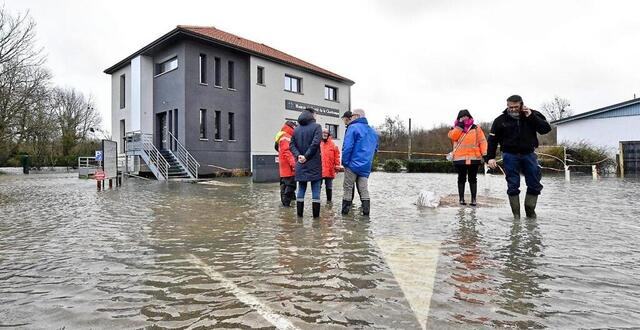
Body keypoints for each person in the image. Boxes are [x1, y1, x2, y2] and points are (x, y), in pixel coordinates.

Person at [486, 95, 552, 218]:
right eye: (510, 107)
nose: (512, 109)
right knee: (512, 184)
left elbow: (545, 129)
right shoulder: (500, 120)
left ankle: (530, 212)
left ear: (521, 105)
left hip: (529, 154)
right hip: (509, 155)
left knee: (534, 182)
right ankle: (516, 217)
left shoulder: (533, 115)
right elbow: (492, 141)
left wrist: (531, 116)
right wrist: (490, 157)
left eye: (515, 107)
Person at [341, 109, 379, 216]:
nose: (351, 117)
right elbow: (375, 149)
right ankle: (366, 215)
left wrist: (345, 163)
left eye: (352, 115)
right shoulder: (373, 131)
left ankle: (345, 216)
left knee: (348, 189)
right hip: (366, 166)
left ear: (357, 116)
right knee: (364, 190)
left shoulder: (352, 128)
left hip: (352, 165)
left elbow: (347, 147)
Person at [448, 109, 488, 206]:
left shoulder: (476, 128)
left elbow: (482, 141)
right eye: (461, 117)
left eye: (466, 116)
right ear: (459, 118)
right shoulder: (455, 128)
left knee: (473, 178)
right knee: (461, 178)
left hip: (474, 157)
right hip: (459, 158)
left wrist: (485, 154)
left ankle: (473, 199)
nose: (464, 118)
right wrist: (459, 127)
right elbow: (453, 137)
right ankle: (461, 199)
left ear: (469, 117)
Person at [290, 108, 323, 218]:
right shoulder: (317, 127)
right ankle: (316, 220)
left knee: (301, 189)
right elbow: (315, 143)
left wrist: (298, 155)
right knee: (316, 191)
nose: (316, 116)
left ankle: (299, 217)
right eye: (316, 114)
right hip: (313, 163)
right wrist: (306, 156)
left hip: (300, 163)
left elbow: (291, 145)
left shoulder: (296, 129)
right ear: (312, 115)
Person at [275, 121, 297, 207]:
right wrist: (294, 165)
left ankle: (285, 205)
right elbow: (287, 152)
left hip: (284, 167)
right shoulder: (286, 137)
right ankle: (286, 205)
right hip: (288, 167)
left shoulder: (282, 136)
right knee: (291, 185)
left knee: (284, 185)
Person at [320, 128, 341, 202]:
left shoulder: (333, 144)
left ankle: (329, 203)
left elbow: (337, 156)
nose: (325, 134)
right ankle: (317, 202)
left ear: (328, 134)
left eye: (326, 133)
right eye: (323, 133)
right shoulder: (318, 144)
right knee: (318, 187)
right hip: (319, 170)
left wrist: (337, 166)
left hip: (330, 170)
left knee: (329, 187)